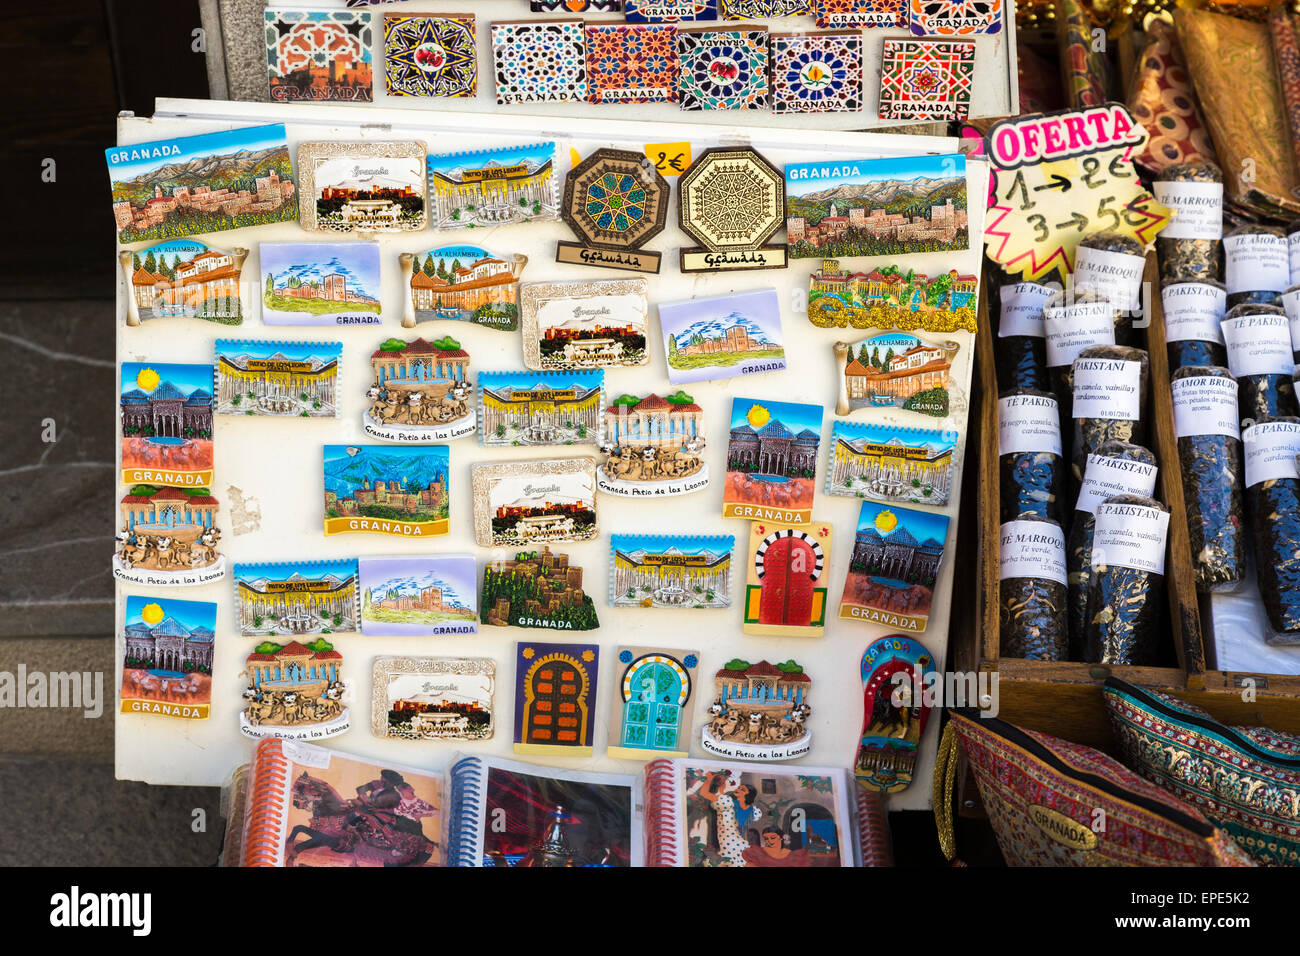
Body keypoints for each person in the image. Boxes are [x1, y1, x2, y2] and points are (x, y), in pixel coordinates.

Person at [741, 826, 811, 867]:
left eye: (773, 838)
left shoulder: (791, 855)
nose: (770, 841)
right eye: (766, 839)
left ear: (780, 837)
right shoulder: (759, 853)